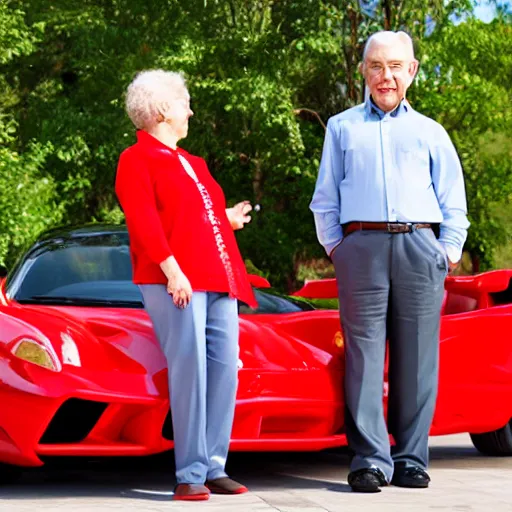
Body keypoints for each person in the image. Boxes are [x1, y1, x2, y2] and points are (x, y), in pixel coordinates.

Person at [310, 31, 469, 493]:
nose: (387, 76)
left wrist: (447, 252)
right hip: (360, 248)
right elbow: (325, 200)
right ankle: (369, 460)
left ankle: (411, 458)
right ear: (364, 72)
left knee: (418, 359)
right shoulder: (341, 127)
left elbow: (453, 202)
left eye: (396, 66)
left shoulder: (431, 132)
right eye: (377, 66)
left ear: (412, 71)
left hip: (421, 247)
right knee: (361, 357)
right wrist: (339, 250)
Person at [115, 69, 257, 501]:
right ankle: (190, 472)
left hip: (218, 277)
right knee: (190, 367)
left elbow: (195, 217)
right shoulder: (135, 159)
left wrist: (226, 218)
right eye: (183, 102)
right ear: (160, 111)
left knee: (223, 369)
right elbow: (143, 221)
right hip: (176, 280)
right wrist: (173, 270)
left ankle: (215, 464)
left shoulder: (193, 163)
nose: (190, 110)